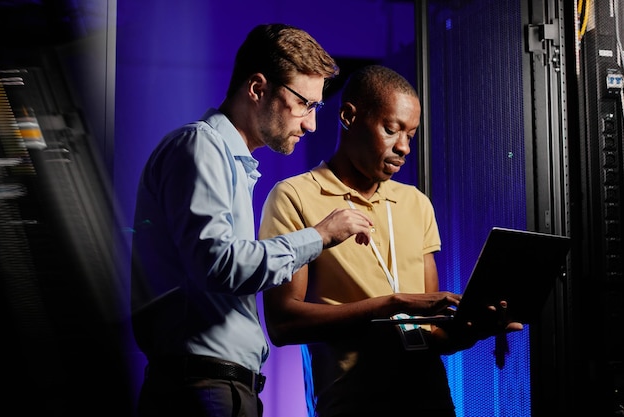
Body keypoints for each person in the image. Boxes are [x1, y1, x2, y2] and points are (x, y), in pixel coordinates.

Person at [130, 24, 379, 417]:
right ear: (258, 88)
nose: (310, 123)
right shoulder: (200, 147)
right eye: (304, 104)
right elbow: (218, 264)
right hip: (202, 389)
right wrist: (318, 236)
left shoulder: (229, 161)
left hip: (215, 387)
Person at [258, 65, 524, 417]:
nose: (403, 147)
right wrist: (390, 305)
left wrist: (475, 329)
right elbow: (283, 324)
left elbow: (433, 333)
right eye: (391, 130)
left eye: (410, 136)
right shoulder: (293, 196)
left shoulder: (416, 203)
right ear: (349, 116)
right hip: (351, 406)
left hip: (430, 403)